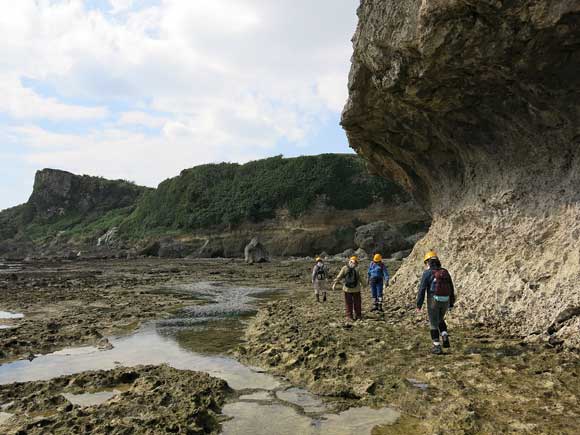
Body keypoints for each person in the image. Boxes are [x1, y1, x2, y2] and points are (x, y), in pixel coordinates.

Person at [416, 250, 456, 355]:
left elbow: (422, 289)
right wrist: (451, 303)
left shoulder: (427, 273)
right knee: (440, 319)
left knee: (433, 323)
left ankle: (437, 346)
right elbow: (451, 288)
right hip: (446, 300)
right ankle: (444, 333)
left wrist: (418, 305)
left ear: (428, 262)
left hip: (433, 300)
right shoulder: (445, 271)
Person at [332, 256, 367, 321]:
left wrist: (334, 284)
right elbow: (361, 278)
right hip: (356, 289)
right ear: (356, 262)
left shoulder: (345, 268)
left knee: (348, 303)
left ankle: (349, 316)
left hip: (347, 289)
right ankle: (358, 316)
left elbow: (339, 276)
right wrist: (365, 285)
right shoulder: (358, 269)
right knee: (357, 303)